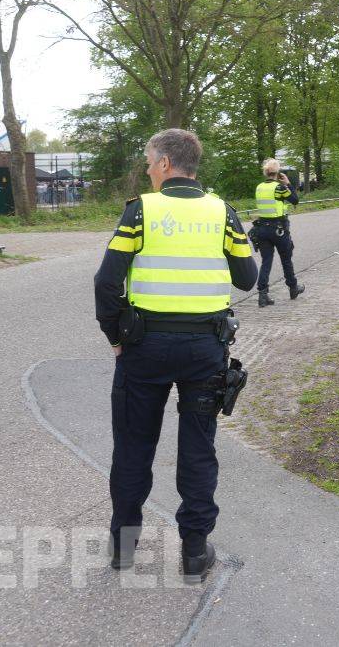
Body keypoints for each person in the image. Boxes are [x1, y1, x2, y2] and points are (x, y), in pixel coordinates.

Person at [93, 129, 257, 582]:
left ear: (166, 163)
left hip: (143, 349)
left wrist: (115, 335)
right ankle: (194, 553)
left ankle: (123, 548)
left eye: (150, 161)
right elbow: (247, 278)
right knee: (198, 449)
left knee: (133, 447)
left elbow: (106, 282)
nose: (148, 169)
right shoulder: (223, 213)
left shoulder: (141, 211)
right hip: (205, 350)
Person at [251, 158, 305, 307]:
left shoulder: (259, 187)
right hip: (278, 229)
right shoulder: (279, 188)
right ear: (278, 172)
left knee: (266, 261)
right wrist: (288, 183)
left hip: (262, 229)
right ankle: (293, 288)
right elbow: (295, 200)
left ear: (266, 172)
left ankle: (263, 295)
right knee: (286, 259)